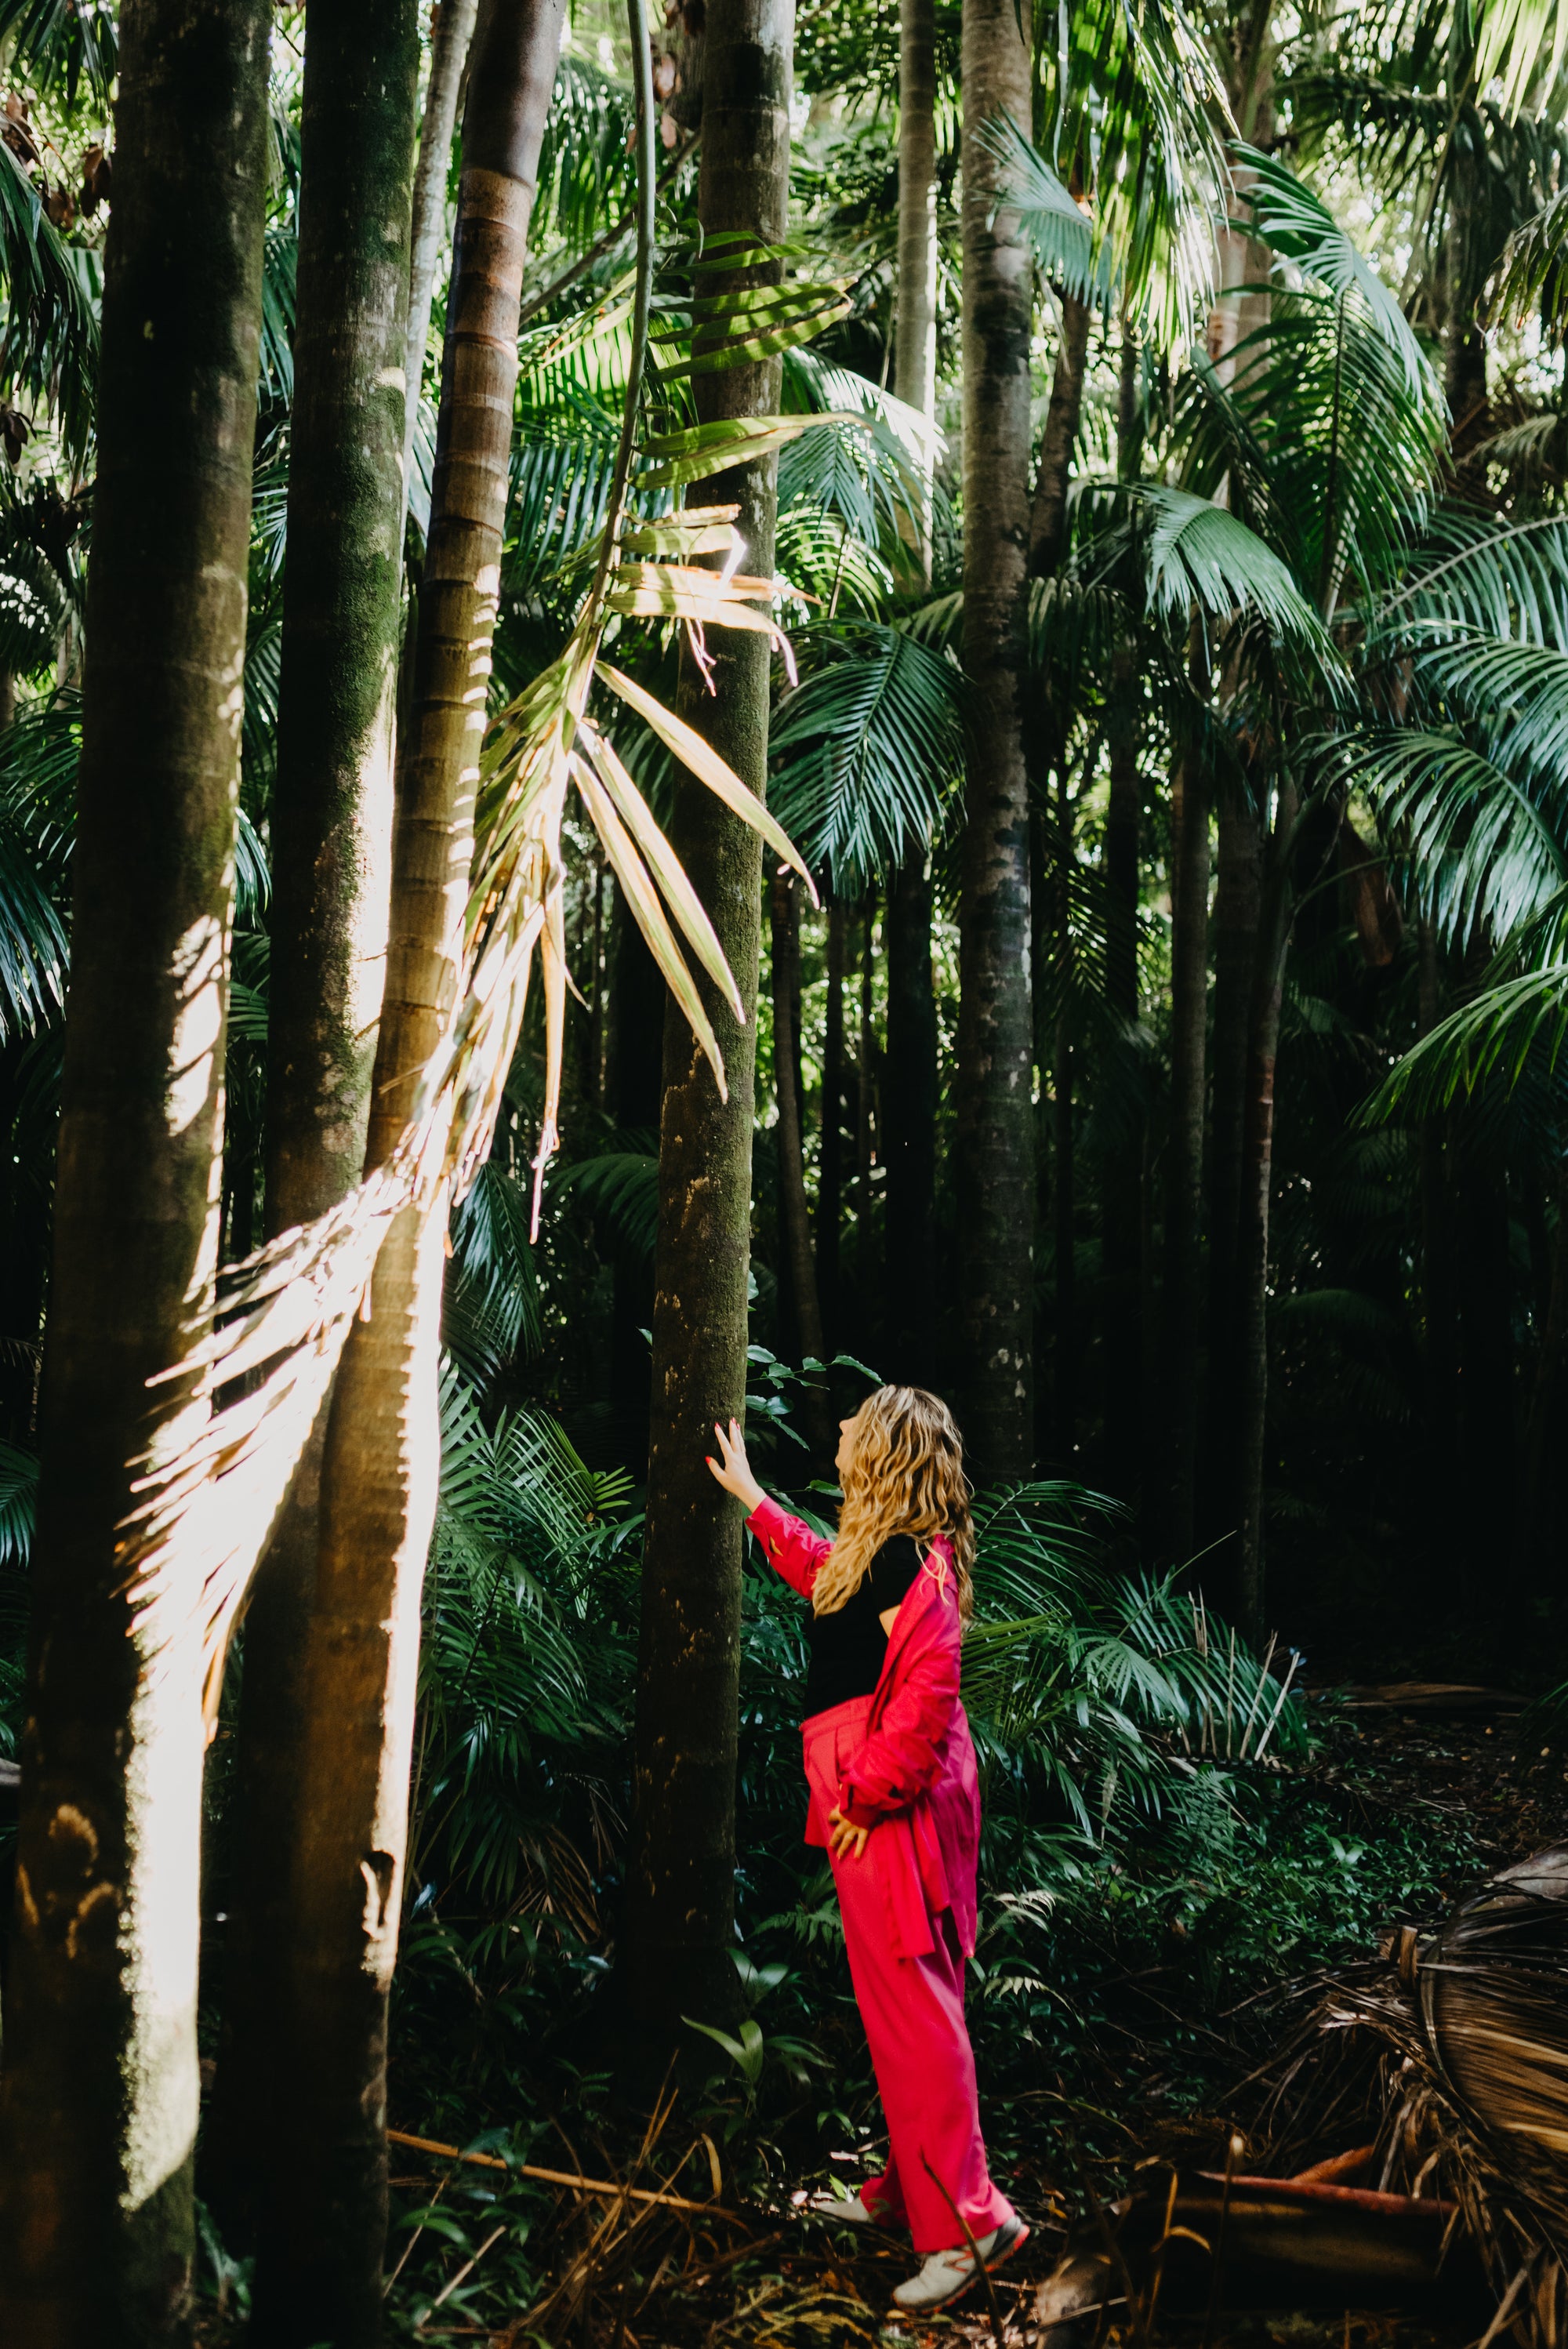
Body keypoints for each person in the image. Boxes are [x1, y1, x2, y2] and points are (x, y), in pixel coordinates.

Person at [706, 1384, 1028, 2314]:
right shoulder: (874, 1556)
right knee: (901, 2001)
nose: (839, 1427)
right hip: (867, 1792)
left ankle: (969, 2224)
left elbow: (930, 1692)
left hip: (885, 1801)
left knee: (916, 2002)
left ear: (883, 1446)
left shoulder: (910, 1564)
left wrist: (864, 1794)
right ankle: (909, 2190)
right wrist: (754, 1498)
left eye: (854, 1420)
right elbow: (819, 1570)